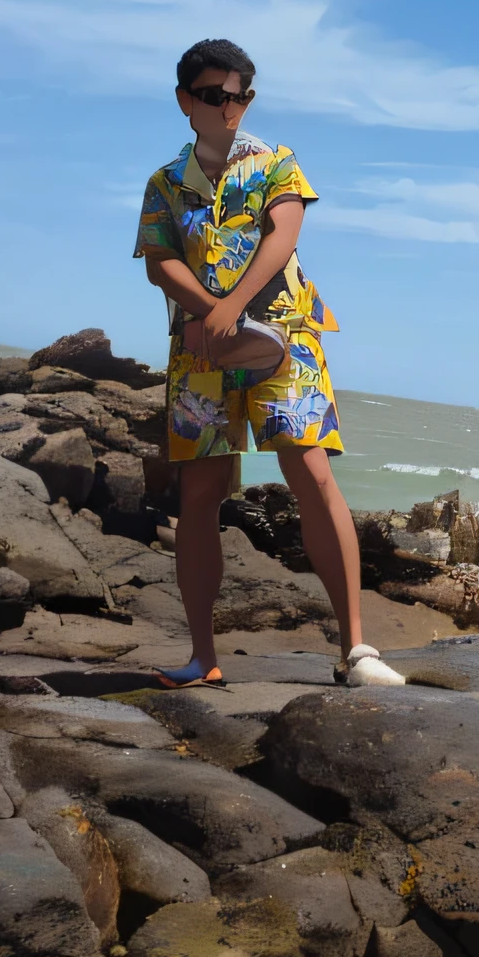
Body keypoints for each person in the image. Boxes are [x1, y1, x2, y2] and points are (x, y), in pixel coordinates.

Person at [134, 36, 404, 690]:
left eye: (237, 96)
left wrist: (236, 305)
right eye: (211, 95)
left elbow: (284, 233)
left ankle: (356, 652)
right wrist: (211, 311)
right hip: (199, 350)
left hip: (287, 335)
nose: (227, 107)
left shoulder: (277, 163)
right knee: (200, 494)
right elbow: (159, 260)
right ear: (184, 101)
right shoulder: (165, 185)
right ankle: (203, 659)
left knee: (310, 471)